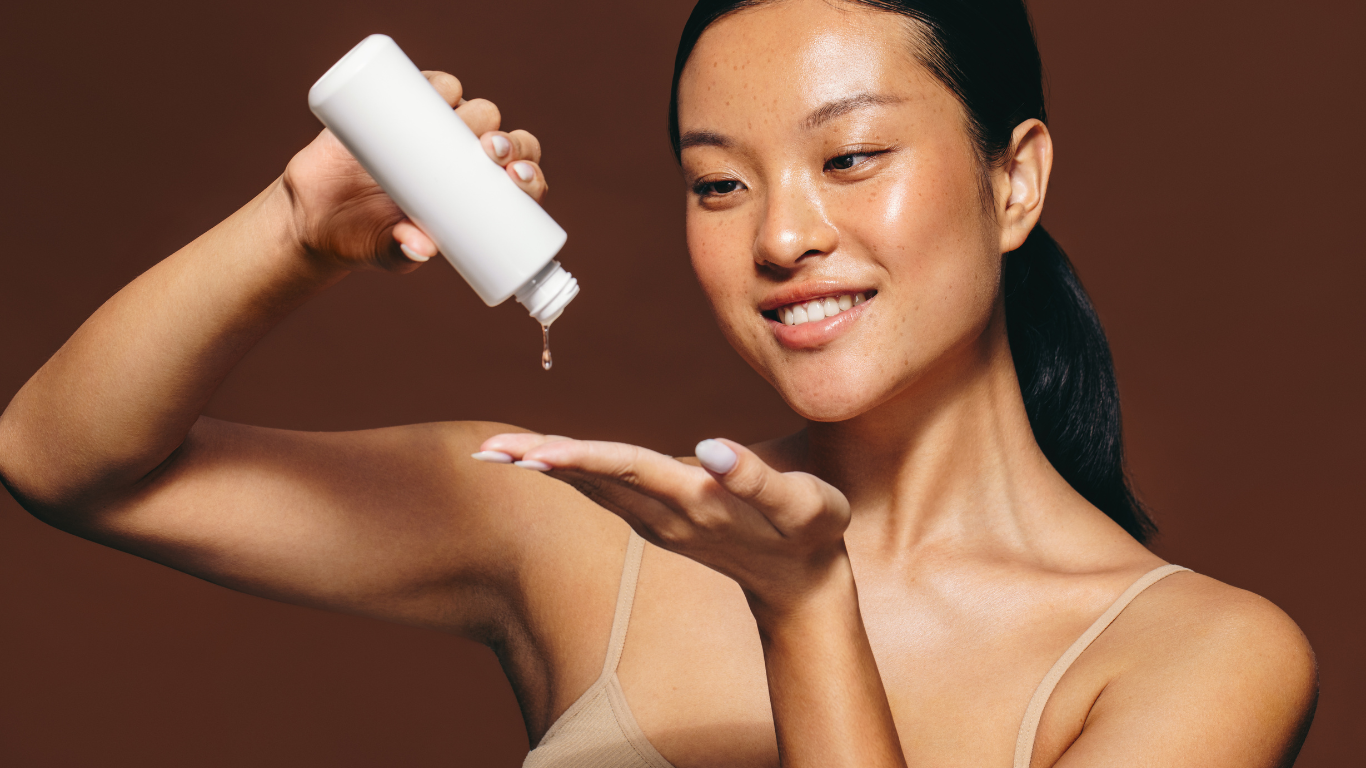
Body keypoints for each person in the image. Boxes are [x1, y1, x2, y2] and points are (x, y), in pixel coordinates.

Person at [0, 0, 1317, 765]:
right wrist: (292, 232)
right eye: (717, 182)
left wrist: (806, 613)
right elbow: (68, 463)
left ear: (1012, 178)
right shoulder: (579, 531)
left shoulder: (1193, 660)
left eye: (848, 157)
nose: (779, 234)